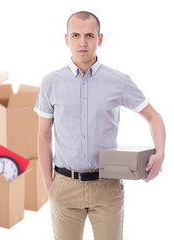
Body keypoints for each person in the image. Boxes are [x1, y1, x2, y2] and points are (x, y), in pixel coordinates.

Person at [33, 11, 166, 240]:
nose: (82, 42)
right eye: (75, 35)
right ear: (66, 39)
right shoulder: (51, 82)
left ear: (100, 39)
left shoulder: (118, 81)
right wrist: (49, 182)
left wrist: (160, 153)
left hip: (107, 187)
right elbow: (43, 134)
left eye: (89, 35)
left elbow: (154, 117)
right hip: (64, 186)